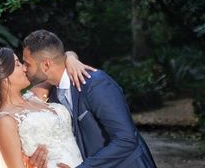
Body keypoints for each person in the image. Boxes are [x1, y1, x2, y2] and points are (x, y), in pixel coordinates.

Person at [22, 30, 157, 168]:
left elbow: (127, 139)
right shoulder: (53, 94)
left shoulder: (96, 84)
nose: (24, 68)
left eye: (27, 64)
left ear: (46, 65)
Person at [0, 46, 93, 168]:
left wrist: (71, 58)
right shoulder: (5, 121)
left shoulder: (36, 95)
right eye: (18, 64)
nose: (25, 68)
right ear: (5, 78)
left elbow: (58, 62)